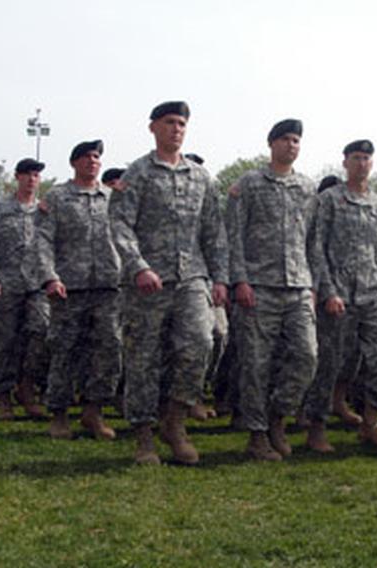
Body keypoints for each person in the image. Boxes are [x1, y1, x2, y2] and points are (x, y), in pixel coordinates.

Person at [110, 101, 227, 465]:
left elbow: (214, 231)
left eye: (181, 123)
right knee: (143, 357)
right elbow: (119, 224)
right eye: (169, 122)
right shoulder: (138, 174)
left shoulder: (201, 178)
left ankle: (174, 422)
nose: (176, 129)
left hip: (191, 277)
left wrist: (220, 277)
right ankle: (144, 435)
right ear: (153, 128)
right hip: (148, 283)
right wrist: (139, 266)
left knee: (200, 345)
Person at [226, 118, 317, 460]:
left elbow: (312, 241)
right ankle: (258, 434)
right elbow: (233, 235)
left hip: (297, 286)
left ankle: (278, 417)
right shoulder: (249, 184)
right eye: (285, 140)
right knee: (255, 364)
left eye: (296, 140)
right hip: (259, 286)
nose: (291, 145)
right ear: (271, 144)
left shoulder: (307, 188)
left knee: (307, 356)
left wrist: (314, 285)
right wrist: (240, 280)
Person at [304, 139, 377, 452]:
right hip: (339, 296)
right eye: (356, 158)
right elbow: (316, 248)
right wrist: (328, 291)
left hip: (374, 294)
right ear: (345, 162)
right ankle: (317, 426)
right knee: (329, 363)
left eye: (367, 159)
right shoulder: (329, 200)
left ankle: (371, 420)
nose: (362, 163)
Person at [36, 140, 122, 440]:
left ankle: (94, 411)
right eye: (86, 157)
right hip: (69, 287)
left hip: (109, 287)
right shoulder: (58, 197)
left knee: (109, 349)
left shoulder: (112, 198)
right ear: (74, 163)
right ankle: (59, 414)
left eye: (97, 156)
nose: (92, 161)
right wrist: (49, 277)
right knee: (64, 350)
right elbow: (43, 240)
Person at [0, 158, 50, 420]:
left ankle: (27, 387)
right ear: (17, 177)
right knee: (6, 341)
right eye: (28, 174)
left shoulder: (44, 210)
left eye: (36, 175)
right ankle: (5, 397)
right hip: (5, 284)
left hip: (36, 284)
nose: (32, 179)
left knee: (41, 332)